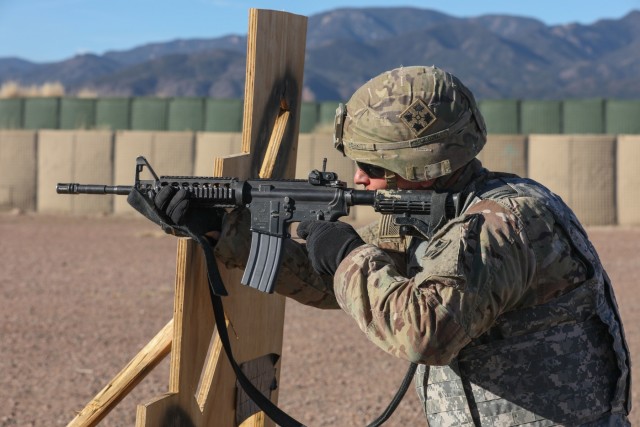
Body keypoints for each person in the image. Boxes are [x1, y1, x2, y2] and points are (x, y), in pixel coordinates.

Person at [142, 65, 632, 426]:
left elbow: (424, 331)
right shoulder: (438, 211)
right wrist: (222, 234)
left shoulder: (505, 221)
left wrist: (347, 252)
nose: (359, 178)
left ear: (425, 165)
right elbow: (345, 286)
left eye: (374, 167)